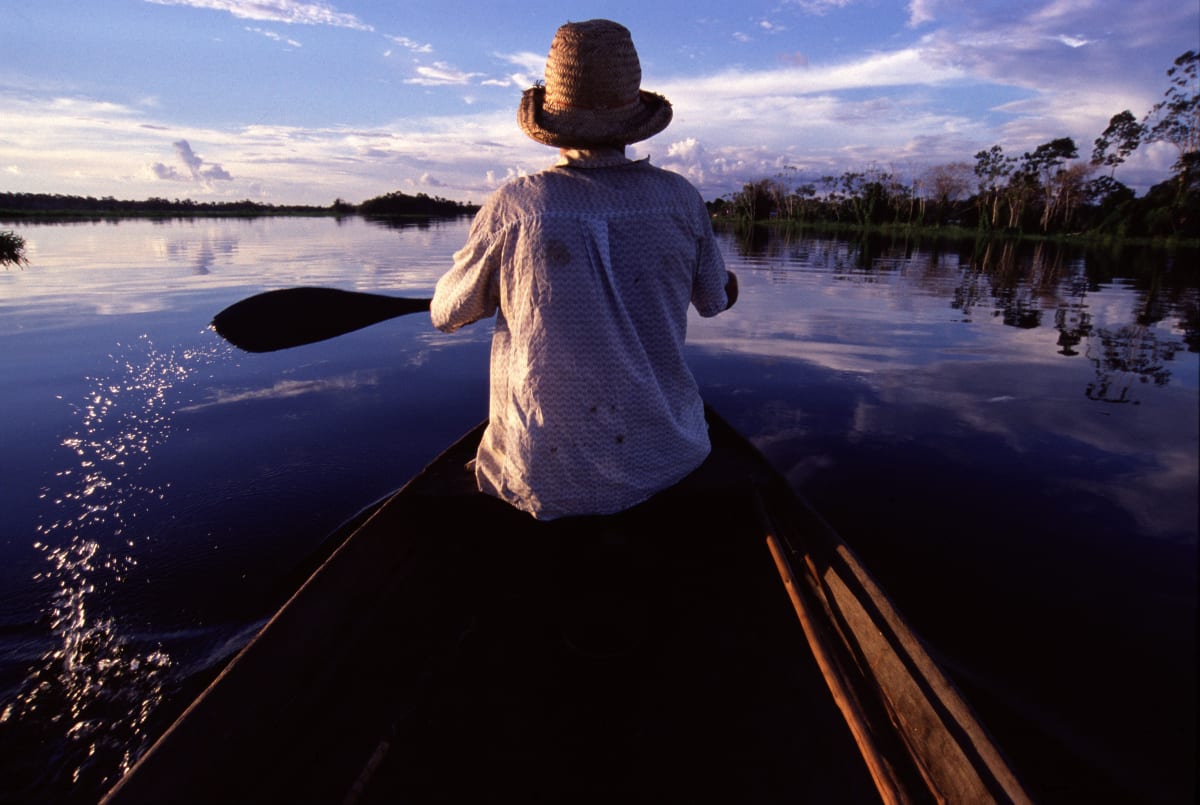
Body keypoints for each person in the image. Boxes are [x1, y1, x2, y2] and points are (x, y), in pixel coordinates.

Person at [431, 18, 738, 521]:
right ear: (634, 114)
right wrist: (730, 286)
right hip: (666, 459)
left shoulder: (515, 209)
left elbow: (446, 313)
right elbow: (713, 300)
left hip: (537, 475)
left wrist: (481, 285)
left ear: (552, 122)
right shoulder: (680, 200)